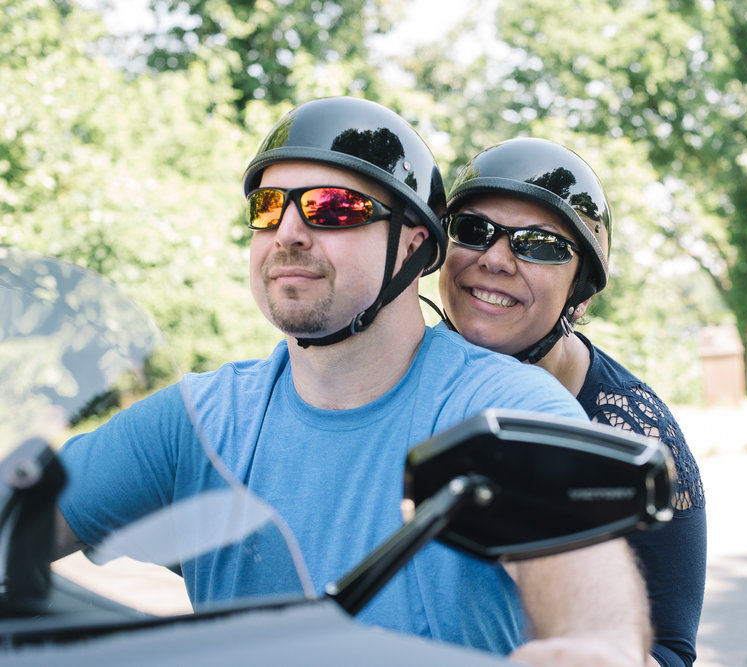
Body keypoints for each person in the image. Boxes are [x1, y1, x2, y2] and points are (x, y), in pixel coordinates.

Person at [52, 97, 652, 666]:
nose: (287, 231)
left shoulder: (500, 408)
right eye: (267, 207)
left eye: (332, 207)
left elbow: (579, 571)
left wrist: (598, 644)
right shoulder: (198, 421)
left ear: (414, 245)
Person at [436, 137, 707, 667]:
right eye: (473, 231)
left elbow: (670, 649)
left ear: (580, 292)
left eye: (538, 244)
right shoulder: (396, 375)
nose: (494, 259)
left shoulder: (633, 429)